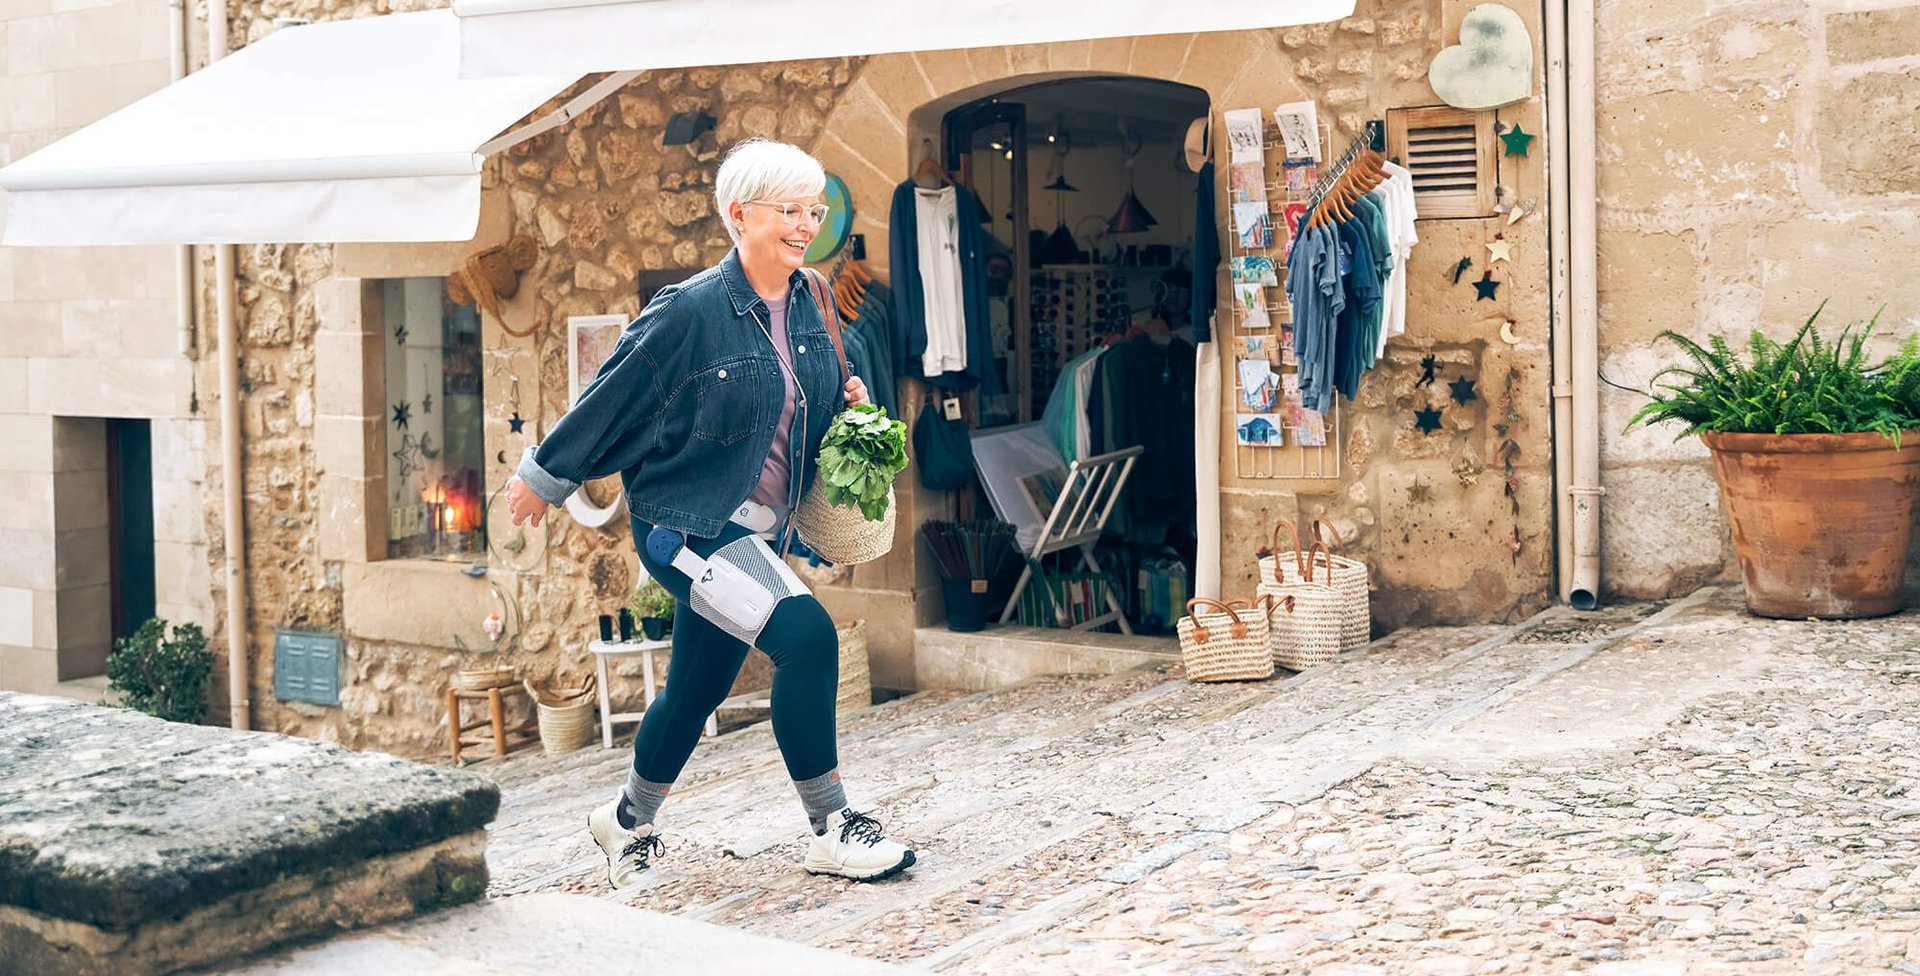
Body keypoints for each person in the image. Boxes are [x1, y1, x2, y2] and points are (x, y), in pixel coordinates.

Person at [504, 138, 916, 887]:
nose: (805, 224)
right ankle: (831, 826)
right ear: (739, 215)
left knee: (696, 689)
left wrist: (849, 401)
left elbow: (816, 387)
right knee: (807, 636)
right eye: (788, 210)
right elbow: (614, 390)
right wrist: (545, 474)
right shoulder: (691, 310)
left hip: (758, 529)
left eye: (812, 210)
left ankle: (625, 820)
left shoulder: (815, 298)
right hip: (686, 524)